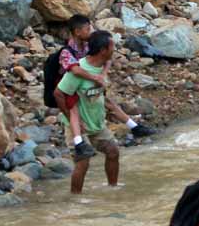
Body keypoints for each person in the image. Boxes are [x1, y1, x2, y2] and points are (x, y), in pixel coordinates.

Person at [53, 31, 152, 194]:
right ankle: (75, 199)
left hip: (97, 123)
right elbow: (58, 93)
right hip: (78, 126)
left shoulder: (101, 67)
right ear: (103, 50)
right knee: (83, 162)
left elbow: (104, 98)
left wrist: (130, 123)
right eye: (112, 46)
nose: (115, 49)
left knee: (113, 152)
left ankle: (113, 189)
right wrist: (70, 117)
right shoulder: (79, 70)